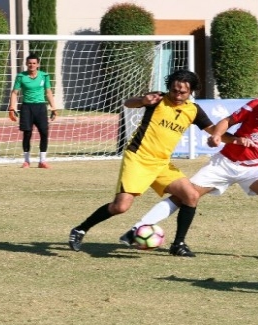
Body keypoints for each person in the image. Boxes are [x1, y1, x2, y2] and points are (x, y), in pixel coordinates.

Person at [119, 86, 258, 260]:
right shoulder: (257, 105)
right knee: (185, 195)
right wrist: (217, 135)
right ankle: (137, 229)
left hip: (256, 168)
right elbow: (228, 121)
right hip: (224, 162)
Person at [68, 70, 216, 257]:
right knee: (120, 207)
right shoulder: (158, 99)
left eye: (183, 92)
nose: (177, 95)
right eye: (174, 90)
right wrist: (142, 101)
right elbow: (129, 103)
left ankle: (178, 244)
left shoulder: (193, 110)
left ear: (191, 92)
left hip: (162, 163)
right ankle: (80, 230)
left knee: (191, 196)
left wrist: (231, 138)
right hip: (138, 158)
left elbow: (212, 129)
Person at [8, 53, 58, 169]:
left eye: (34, 63)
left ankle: (42, 161)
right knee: (27, 133)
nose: (32, 65)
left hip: (41, 107)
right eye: (29, 63)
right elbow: (15, 92)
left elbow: (48, 92)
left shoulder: (44, 76)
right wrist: (12, 107)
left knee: (44, 133)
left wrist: (54, 108)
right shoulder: (21, 76)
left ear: (38, 64)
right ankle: (26, 161)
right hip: (27, 108)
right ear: (26, 64)